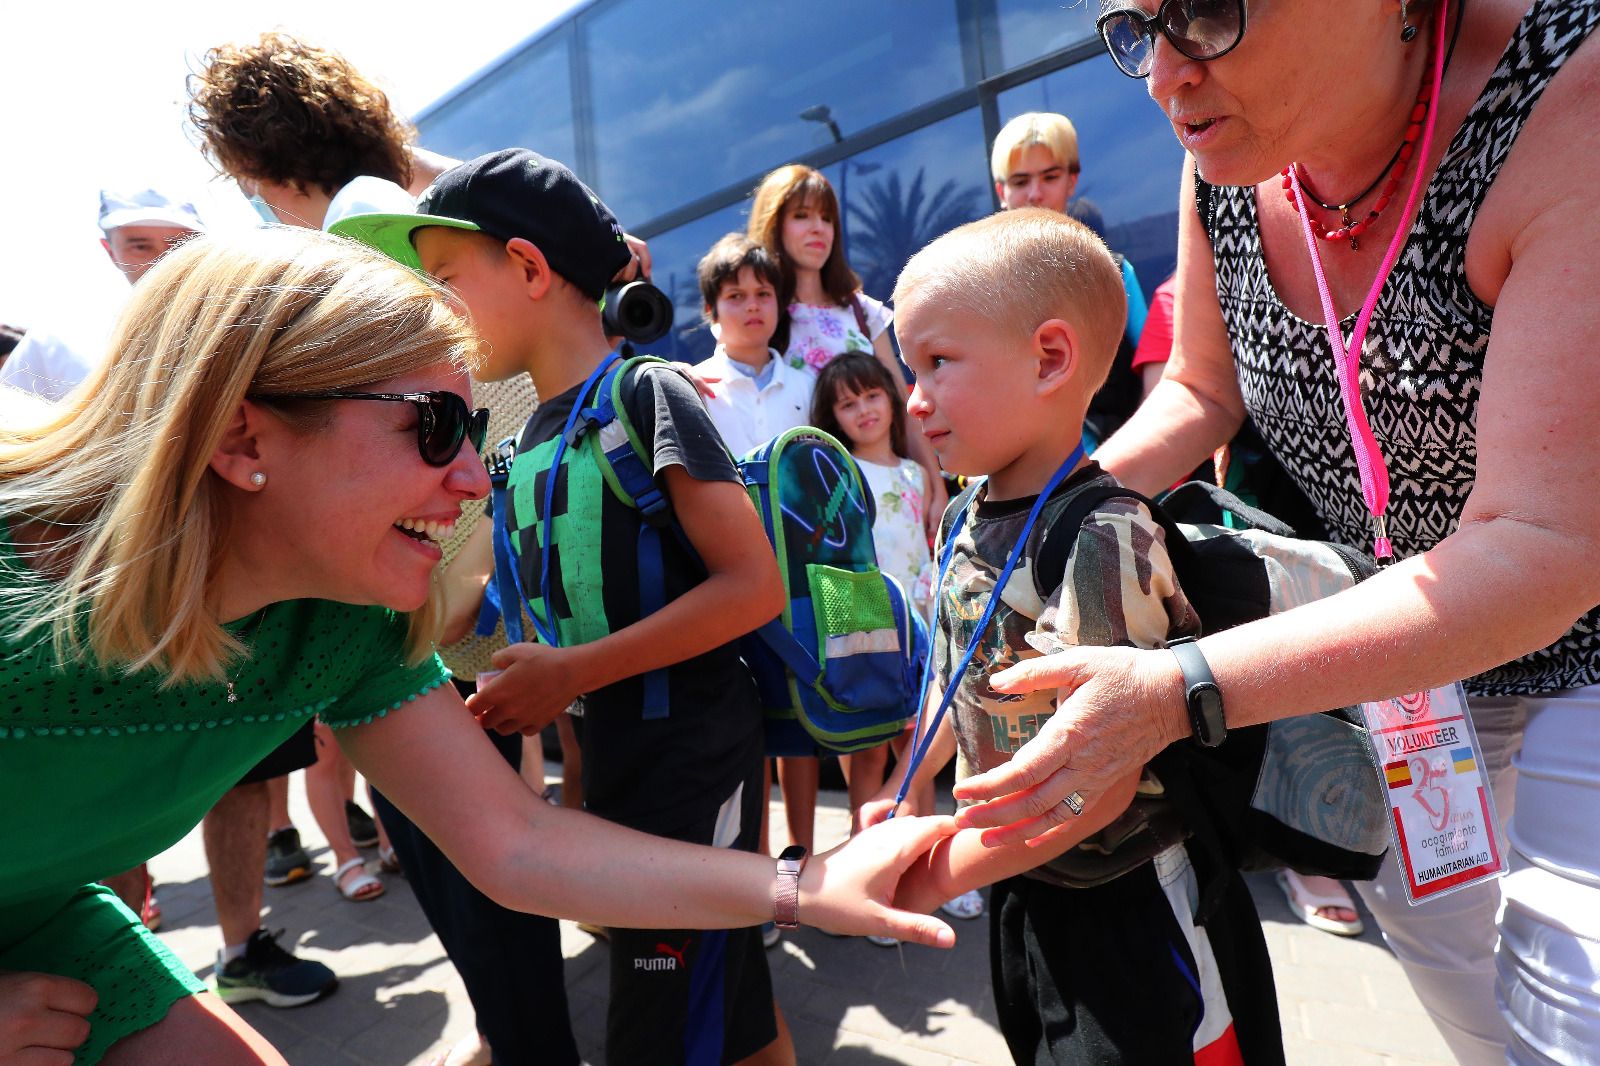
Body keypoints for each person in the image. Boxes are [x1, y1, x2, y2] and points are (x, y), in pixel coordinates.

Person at [0, 226, 958, 1066]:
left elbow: (518, 839)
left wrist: (807, 884)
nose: (472, 479)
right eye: (437, 428)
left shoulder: (350, 626)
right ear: (245, 437)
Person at [951, 3, 1600, 1063]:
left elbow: (1541, 544)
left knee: (1572, 1014)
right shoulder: (1232, 150)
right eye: (1134, 25)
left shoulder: (1565, 92)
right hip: (1411, 669)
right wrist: (1032, 514)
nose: (1162, 73)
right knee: (1447, 960)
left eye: (1203, 11)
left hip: (1584, 646)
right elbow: (1201, 388)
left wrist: (1181, 686)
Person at [339, 148, 817, 1066]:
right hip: (620, 763)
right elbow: (504, 608)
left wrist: (573, 674)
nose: (433, 304)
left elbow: (751, 584)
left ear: (525, 267)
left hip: (695, 758)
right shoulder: (515, 444)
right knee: (726, 1010)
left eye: (445, 278)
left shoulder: (647, 392)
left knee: (666, 1025)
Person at [855, 209, 1279, 1064]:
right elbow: (952, 679)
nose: (914, 397)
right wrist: (906, 794)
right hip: (1022, 876)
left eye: (938, 361)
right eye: (910, 366)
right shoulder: (970, 514)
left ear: (1050, 358)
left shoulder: (1100, 537)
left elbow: (1096, 784)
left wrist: (924, 875)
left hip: (1135, 901)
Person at [745, 164, 943, 866]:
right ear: (777, 224)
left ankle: (899, 842)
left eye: (825, 215)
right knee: (825, 684)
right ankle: (817, 853)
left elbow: (903, 397)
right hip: (812, 526)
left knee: (908, 683)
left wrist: (935, 479)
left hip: (887, 511)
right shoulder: (766, 310)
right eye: (800, 215)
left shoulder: (866, 312)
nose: (816, 228)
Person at [990, 112, 1149, 449]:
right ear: (1001, 192)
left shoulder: (1116, 272)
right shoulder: (986, 293)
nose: (1035, 193)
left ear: (1071, 181)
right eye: (1020, 182)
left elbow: (1161, 369)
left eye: (1050, 176)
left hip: (1126, 471)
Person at [691, 233, 813, 457]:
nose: (752, 306)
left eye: (763, 293)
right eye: (736, 296)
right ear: (712, 311)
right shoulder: (691, 388)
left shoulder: (808, 387)